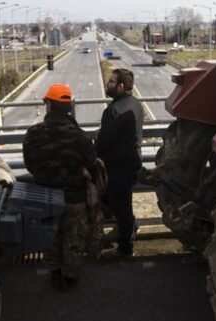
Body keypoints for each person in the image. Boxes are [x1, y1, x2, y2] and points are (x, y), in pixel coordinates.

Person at [23, 83, 100, 291]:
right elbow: (93, 167)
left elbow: (29, 164)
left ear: (48, 106)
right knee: (73, 237)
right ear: (68, 107)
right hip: (74, 198)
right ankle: (70, 276)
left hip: (45, 196)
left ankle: (54, 273)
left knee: (51, 235)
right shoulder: (81, 137)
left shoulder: (34, 133)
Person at [96, 68, 144, 258]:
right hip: (132, 164)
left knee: (120, 206)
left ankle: (125, 247)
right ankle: (128, 229)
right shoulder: (136, 104)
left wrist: (97, 141)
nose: (108, 83)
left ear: (121, 86)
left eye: (112, 81)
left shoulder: (113, 110)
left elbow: (104, 144)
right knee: (120, 203)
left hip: (116, 168)